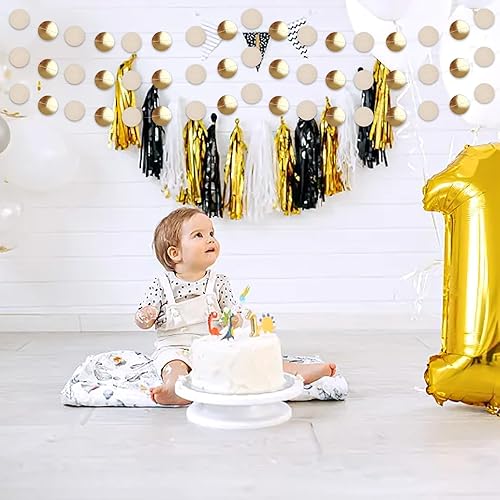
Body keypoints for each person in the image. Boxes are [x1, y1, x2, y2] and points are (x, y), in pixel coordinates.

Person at [136, 207, 337, 405]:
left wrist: (234, 319)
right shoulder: (160, 285)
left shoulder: (219, 282)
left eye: (211, 233)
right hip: (175, 349)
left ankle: (295, 372)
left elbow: (234, 311)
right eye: (198, 235)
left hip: (214, 346)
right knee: (174, 368)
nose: (210, 239)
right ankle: (174, 389)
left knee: (251, 361)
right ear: (175, 253)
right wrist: (146, 315)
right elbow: (142, 320)